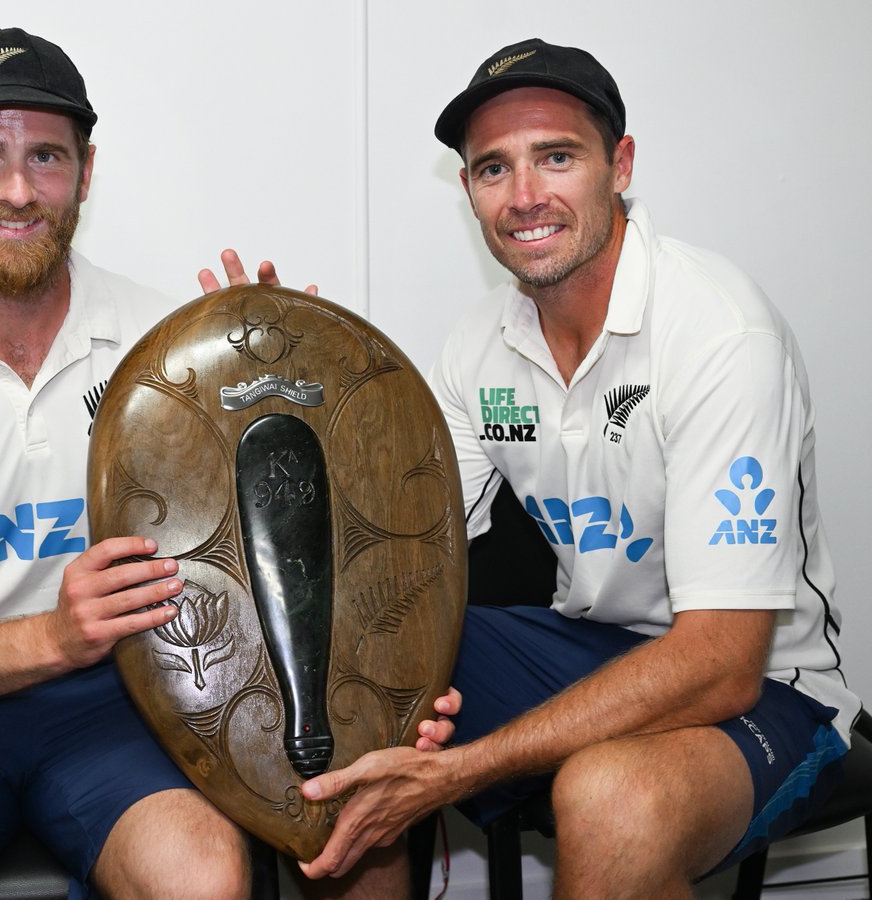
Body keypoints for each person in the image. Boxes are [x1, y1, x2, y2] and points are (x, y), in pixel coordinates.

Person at [0, 27, 453, 900]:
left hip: (122, 705)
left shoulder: (174, 351)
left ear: (85, 172)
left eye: (46, 156)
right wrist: (51, 637)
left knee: (202, 880)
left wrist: (290, 381)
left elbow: (290, 545)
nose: (16, 190)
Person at [279, 38, 860, 897]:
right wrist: (298, 396)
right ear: (470, 190)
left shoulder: (719, 333)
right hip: (588, 647)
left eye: (556, 157)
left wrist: (456, 771)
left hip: (769, 684)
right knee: (337, 678)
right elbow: (385, 548)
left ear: (619, 165)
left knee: (610, 797)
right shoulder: (480, 342)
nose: (524, 197)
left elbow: (722, 661)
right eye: (492, 168)